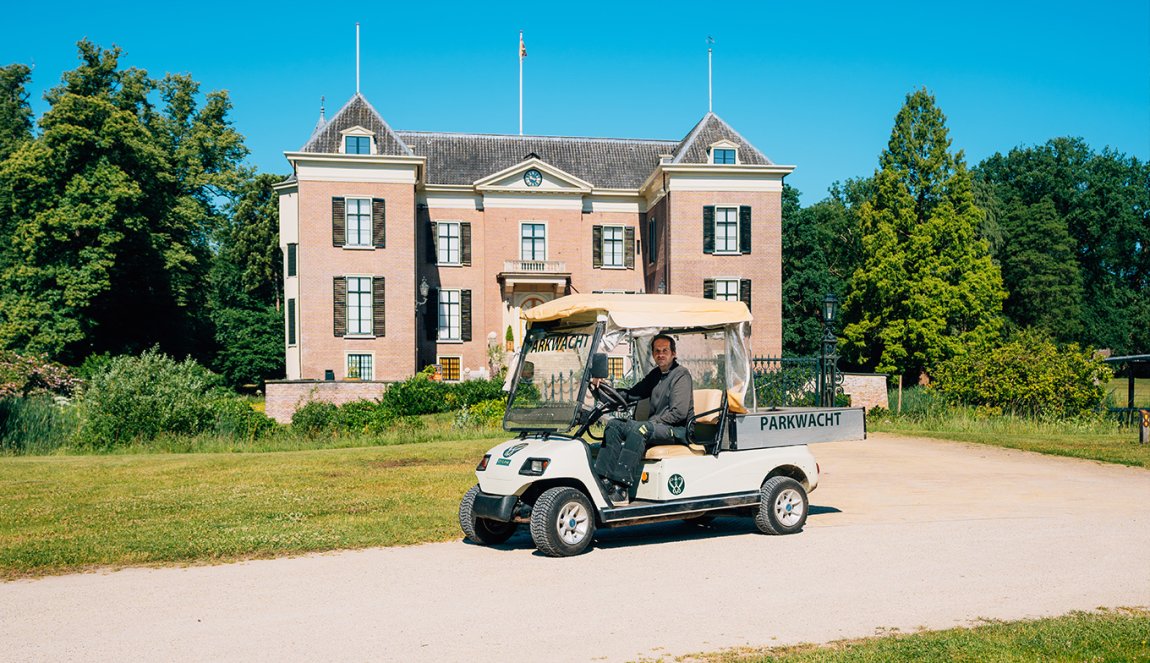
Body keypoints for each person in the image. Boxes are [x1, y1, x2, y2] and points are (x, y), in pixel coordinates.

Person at [592, 334, 693, 503]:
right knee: (614, 425)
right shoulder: (655, 375)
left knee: (641, 429)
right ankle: (604, 480)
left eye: (665, 351)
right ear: (653, 354)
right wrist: (602, 389)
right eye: (657, 351)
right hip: (657, 426)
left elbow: (678, 413)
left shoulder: (681, 375)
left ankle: (621, 488)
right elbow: (631, 394)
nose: (660, 354)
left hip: (677, 430)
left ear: (673, 353)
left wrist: (650, 423)